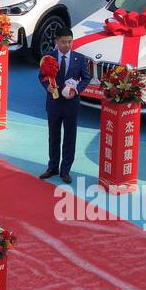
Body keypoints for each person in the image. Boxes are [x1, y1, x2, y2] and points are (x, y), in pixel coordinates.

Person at [38, 29, 90, 184]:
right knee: (53, 136)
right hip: (53, 103)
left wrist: (77, 90)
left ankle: (65, 170)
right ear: (56, 41)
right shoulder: (48, 58)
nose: (67, 45)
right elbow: (41, 76)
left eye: (70, 41)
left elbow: (86, 78)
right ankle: (52, 167)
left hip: (71, 105)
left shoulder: (79, 59)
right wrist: (47, 85)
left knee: (69, 138)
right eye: (64, 42)